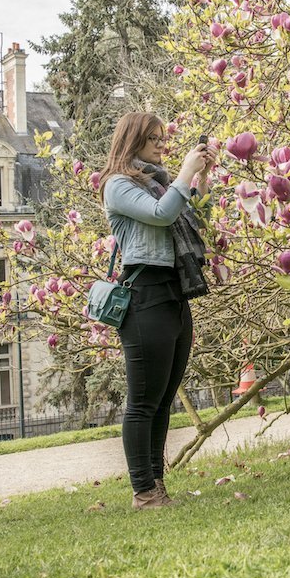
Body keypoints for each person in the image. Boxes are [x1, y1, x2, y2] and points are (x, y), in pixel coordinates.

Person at [98, 113, 217, 509]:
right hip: (144, 294)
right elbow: (162, 214)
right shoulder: (117, 186)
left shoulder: (163, 184)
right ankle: (143, 491)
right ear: (132, 141)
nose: (161, 145)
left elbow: (196, 218)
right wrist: (184, 171)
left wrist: (200, 177)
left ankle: (156, 485)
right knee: (143, 401)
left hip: (174, 291)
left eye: (164, 139)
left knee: (163, 399)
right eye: (153, 139)